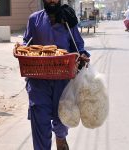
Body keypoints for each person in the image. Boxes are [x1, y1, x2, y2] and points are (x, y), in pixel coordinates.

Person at [23, 0, 90, 149]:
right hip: (38, 80)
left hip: (63, 79)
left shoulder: (68, 20)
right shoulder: (34, 19)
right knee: (39, 118)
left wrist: (83, 55)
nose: (52, 0)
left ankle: (60, 137)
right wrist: (21, 49)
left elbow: (78, 45)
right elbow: (26, 43)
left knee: (62, 117)